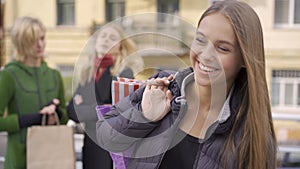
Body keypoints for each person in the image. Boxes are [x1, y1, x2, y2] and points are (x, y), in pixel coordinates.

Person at [96, 1, 277, 169]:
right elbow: (106, 137)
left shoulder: (253, 136)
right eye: (200, 40)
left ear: (245, 59)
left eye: (223, 48)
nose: (205, 55)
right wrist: (144, 116)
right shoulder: (163, 87)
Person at [67, 25, 144, 169]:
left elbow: (119, 113)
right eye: (103, 36)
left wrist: (84, 107)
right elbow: (72, 111)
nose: (106, 40)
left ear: (120, 47)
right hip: (90, 146)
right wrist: (100, 108)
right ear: (96, 41)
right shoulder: (87, 73)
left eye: (113, 38)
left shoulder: (123, 73)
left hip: (111, 150)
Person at [0, 16, 68, 169]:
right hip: (19, 160)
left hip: (53, 158)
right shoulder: (9, 75)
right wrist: (33, 118)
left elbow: (64, 118)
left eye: (42, 38)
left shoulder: (54, 76)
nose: (40, 45)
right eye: (33, 40)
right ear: (21, 42)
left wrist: (55, 112)